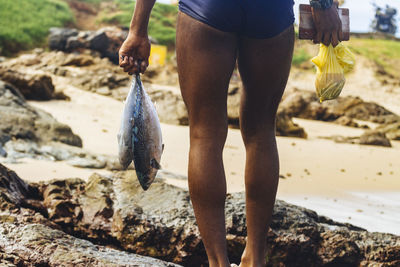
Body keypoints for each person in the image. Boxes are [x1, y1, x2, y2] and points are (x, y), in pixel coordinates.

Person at [119, 0, 342, 266]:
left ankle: (217, 262)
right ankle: (255, 258)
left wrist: (137, 29)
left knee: (204, 135)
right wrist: (324, 5)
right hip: (270, 10)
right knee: (261, 132)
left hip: (208, 7)